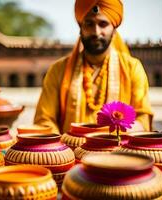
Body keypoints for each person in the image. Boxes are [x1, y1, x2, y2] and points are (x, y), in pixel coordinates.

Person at [34, 0, 153, 134]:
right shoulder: (58, 70)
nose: (96, 32)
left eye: (103, 24)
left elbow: (143, 118)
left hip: (117, 152)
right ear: (80, 28)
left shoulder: (132, 68)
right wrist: (61, 147)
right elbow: (44, 119)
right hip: (70, 151)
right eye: (89, 24)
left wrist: (114, 134)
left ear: (114, 29)